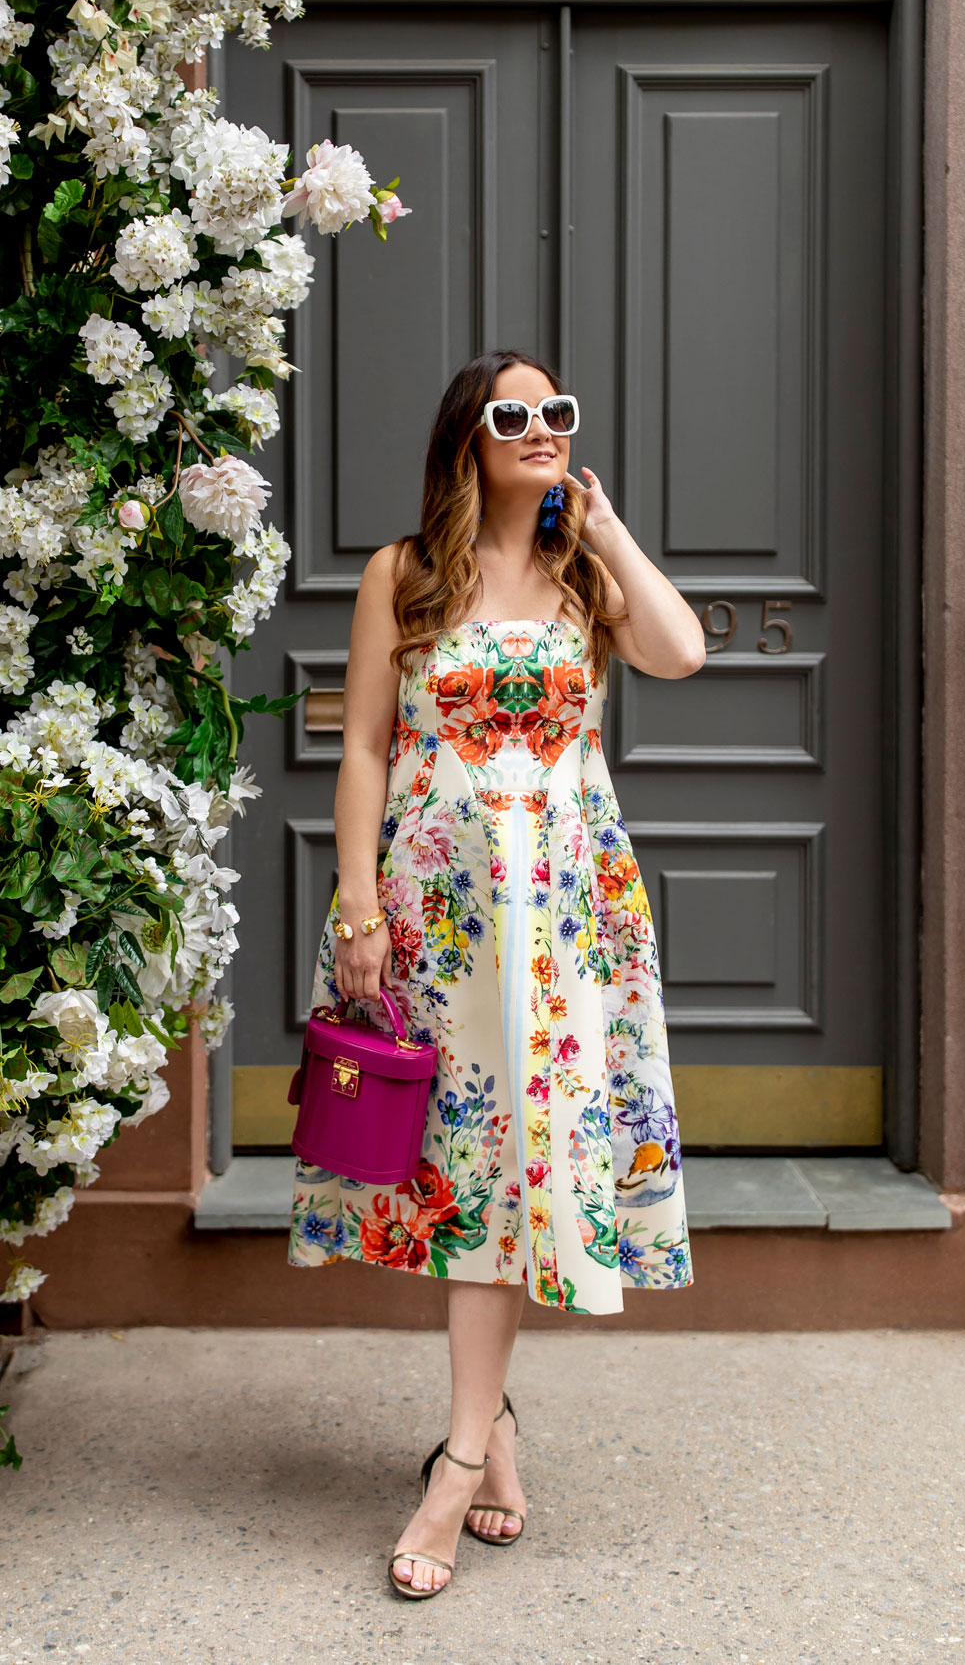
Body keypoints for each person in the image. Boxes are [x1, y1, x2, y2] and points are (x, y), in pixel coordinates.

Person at [287, 349, 706, 1600]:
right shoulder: (403, 577)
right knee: (467, 1176)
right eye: (510, 415)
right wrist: (355, 899)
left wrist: (609, 526)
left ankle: (460, 1459)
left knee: (521, 1171)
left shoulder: (587, 578)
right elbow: (363, 748)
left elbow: (681, 651)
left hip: (567, 922)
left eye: (554, 414)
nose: (537, 429)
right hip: (438, 918)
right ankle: (487, 1434)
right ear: (467, 437)